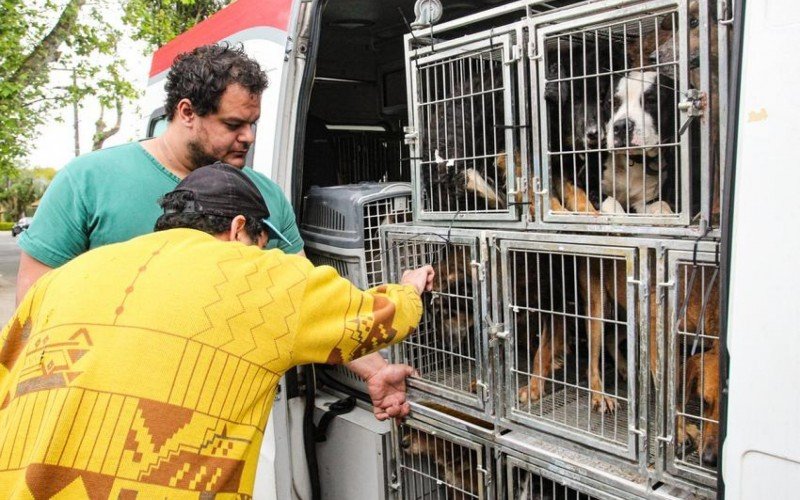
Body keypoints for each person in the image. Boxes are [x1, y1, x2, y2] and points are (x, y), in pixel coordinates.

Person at [16, 42, 410, 421]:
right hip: (109, 414)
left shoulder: (265, 194)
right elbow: (34, 310)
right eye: (233, 124)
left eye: (253, 124)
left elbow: (308, 302)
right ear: (187, 112)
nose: (249, 137)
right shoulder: (88, 181)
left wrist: (374, 371)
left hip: (222, 421)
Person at [0, 163, 434, 497]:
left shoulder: (70, 276)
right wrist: (412, 287)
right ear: (239, 229)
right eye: (261, 245)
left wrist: (372, 372)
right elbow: (378, 318)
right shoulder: (255, 274)